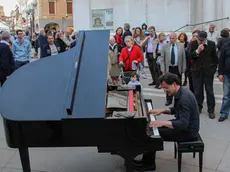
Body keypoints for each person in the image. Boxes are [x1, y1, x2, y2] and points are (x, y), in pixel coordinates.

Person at [134, 72, 200, 171]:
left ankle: (149, 164)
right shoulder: (181, 92)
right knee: (153, 129)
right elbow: (177, 109)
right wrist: (163, 111)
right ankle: (146, 160)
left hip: (188, 132)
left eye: (166, 88)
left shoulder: (184, 99)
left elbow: (183, 124)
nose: (165, 91)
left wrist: (161, 123)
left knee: (152, 134)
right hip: (184, 126)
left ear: (174, 84)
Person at [190, 31, 218, 119]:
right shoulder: (193, 43)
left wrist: (213, 70)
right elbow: (190, 56)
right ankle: (198, 107)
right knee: (198, 91)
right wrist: (197, 51)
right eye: (199, 39)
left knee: (209, 91)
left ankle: (211, 110)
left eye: (201, 40)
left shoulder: (212, 44)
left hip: (208, 72)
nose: (200, 41)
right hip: (197, 71)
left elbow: (215, 58)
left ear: (205, 39)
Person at [161, 32, 186, 106]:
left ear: (176, 38)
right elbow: (162, 59)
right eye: (170, 38)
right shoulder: (165, 46)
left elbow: (183, 58)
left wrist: (184, 68)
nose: (171, 40)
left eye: (173, 38)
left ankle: (178, 100)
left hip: (177, 68)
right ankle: (168, 100)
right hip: (169, 68)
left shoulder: (181, 46)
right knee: (168, 84)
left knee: (178, 85)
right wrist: (163, 69)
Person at [218, 41, 230, 122]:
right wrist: (220, 73)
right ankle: (224, 113)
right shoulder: (226, 45)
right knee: (226, 95)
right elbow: (221, 60)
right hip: (227, 74)